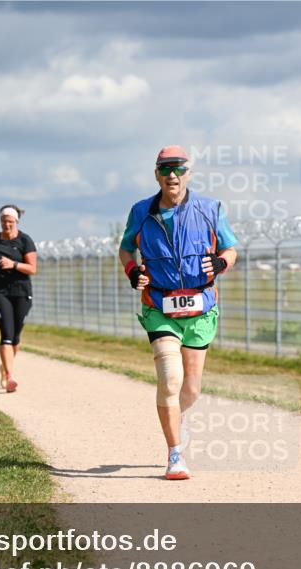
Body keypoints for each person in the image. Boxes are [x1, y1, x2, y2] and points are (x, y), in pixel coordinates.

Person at [118, 145, 238, 480]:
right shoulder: (141, 211)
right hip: (159, 306)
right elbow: (126, 250)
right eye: (166, 169)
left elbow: (231, 249)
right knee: (170, 378)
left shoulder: (210, 208)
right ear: (156, 174)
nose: (173, 175)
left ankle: (171, 413)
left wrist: (220, 262)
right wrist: (133, 271)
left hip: (201, 308)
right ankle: (174, 454)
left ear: (189, 173)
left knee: (191, 389)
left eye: (179, 169)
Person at [0, 204, 37, 393]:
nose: (7, 225)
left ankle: (5, 367)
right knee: (6, 333)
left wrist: (13, 264)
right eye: (4, 221)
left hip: (21, 291)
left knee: (15, 336)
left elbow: (32, 269)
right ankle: (10, 376)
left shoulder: (25, 241)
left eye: (10, 222)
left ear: (16, 222)